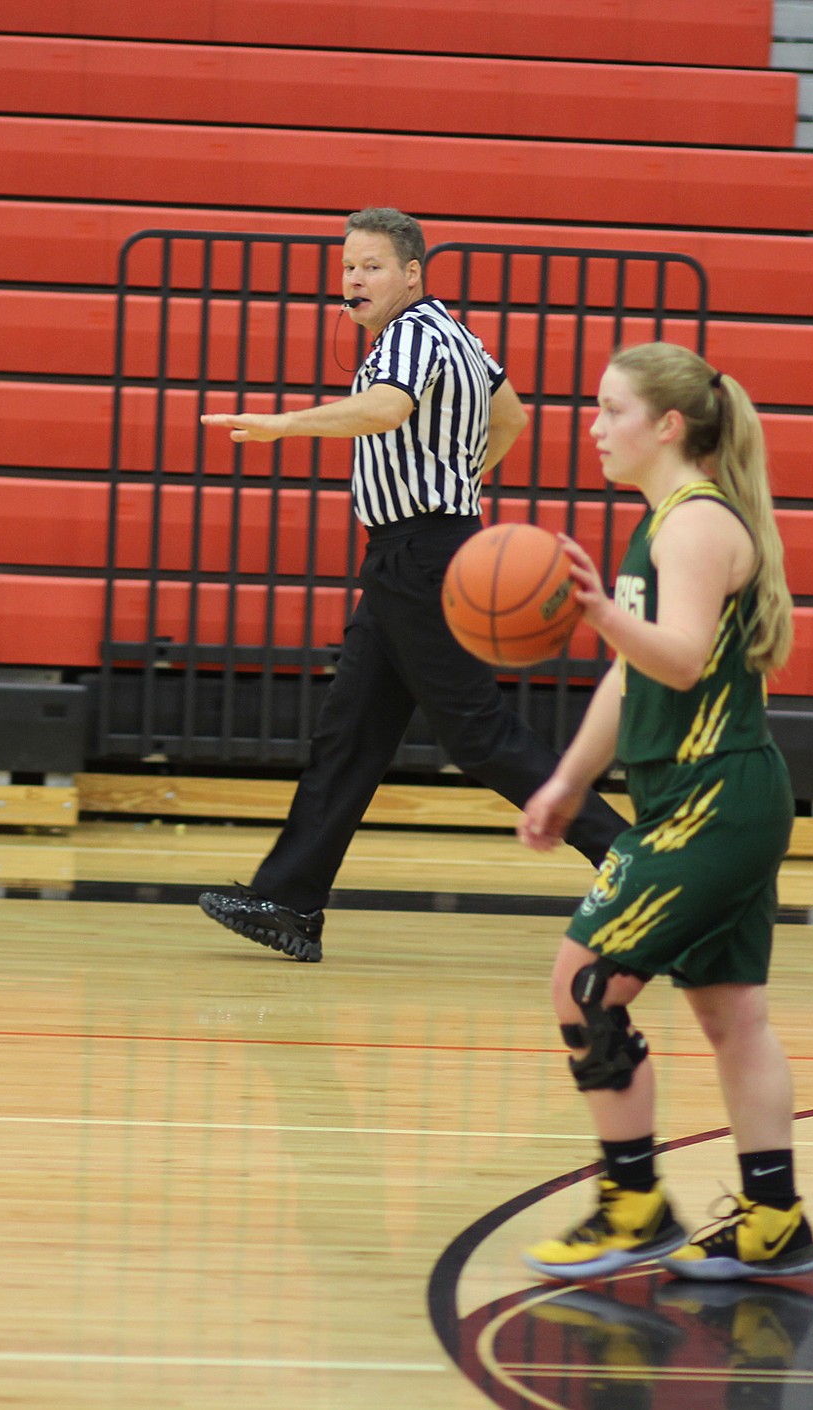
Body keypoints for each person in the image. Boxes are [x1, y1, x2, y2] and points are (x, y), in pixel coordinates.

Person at [196, 207, 625, 962]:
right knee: (351, 734)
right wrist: (460, 478)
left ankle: (630, 861)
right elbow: (512, 417)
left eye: (370, 267)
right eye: (347, 269)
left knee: (479, 736)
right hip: (412, 552)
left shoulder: (413, 335)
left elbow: (387, 408)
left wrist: (283, 426)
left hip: (422, 552)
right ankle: (291, 901)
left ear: (411, 273)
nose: (354, 281)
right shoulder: (457, 336)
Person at [517, 342, 813, 1282]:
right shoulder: (667, 523)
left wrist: (603, 611)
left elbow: (679, 656)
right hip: (706, 797)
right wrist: (570, 781)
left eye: (611, 410)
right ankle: (774, 1220)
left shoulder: (691, 527)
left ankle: (633, 1206)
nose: (594, 425)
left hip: (711, 803)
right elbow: (634, 673)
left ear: (669, 425)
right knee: (734, 1014)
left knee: (586, 989)